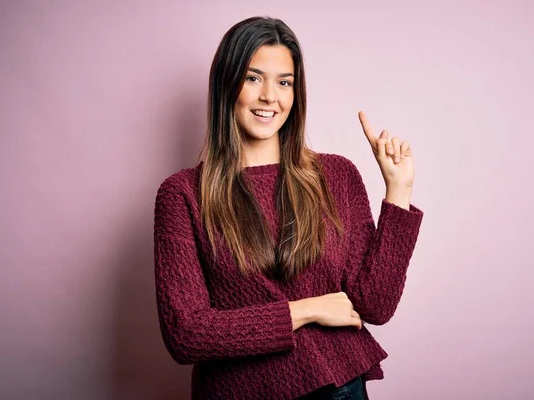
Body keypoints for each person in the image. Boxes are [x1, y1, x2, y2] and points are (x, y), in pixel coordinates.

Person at [153, 16, 424, 400]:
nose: (270, 96)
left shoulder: (336, 175)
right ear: (226, 85)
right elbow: (186, 334)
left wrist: (399, 190)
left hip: (338, 389)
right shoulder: (182, 195)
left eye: (284, 82)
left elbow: (373, 305)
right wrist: (307, 310)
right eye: (253, 78)